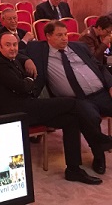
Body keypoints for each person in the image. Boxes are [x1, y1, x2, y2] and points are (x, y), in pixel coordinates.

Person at [0, 31, 111, 185]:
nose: (12, 48)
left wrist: (26, 64)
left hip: (28, 106)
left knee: (71, 120)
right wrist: (29, 80)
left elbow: (22, 67)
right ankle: (100, 140)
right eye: (8, 45)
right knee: (72, 103)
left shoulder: (12, 58)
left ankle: (73, 169)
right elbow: (23, 87)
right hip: (16, 111)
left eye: (14, 44)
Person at [26, 20, 112, 174]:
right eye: (59, 35)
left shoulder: (79, 47)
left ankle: (101, 143)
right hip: (77, 100)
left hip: (101, 92)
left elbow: (99, 66)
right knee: (90, 117)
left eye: (65, 34)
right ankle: (99, 155)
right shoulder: (37, 49)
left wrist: (111, 85)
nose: (65, 38)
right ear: (48, 36)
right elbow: (11, 49)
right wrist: (26, 60)